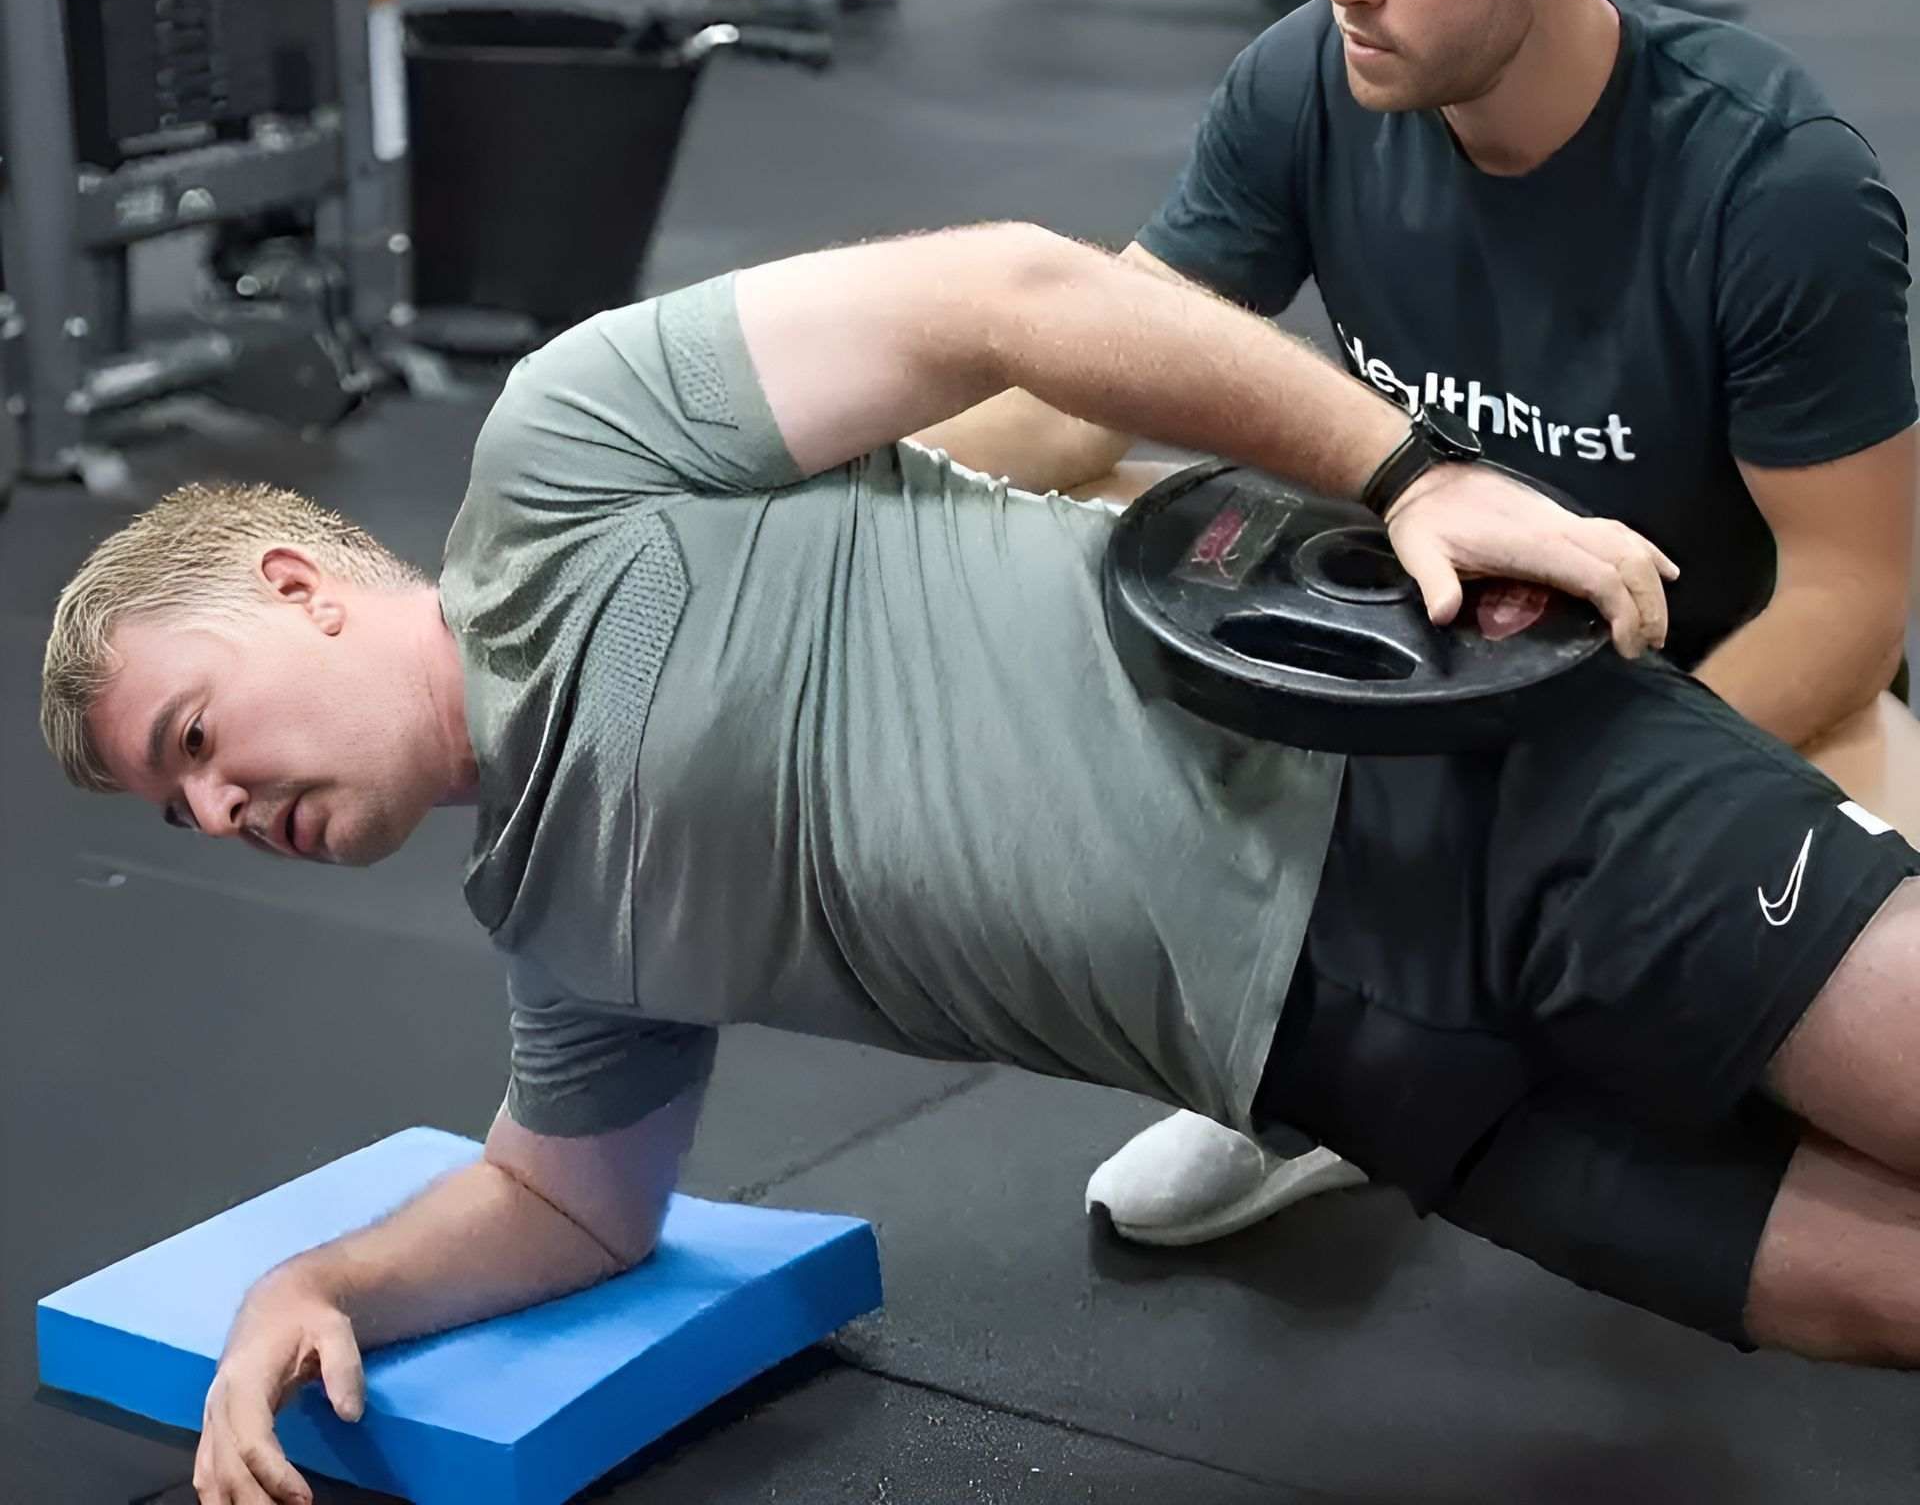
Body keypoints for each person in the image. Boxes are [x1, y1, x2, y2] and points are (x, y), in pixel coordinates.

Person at [40, 219, 1920, 1505]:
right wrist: (325, 1289)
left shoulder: (567, 465)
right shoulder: (555, 927)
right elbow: (576, 1209)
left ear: (298, 591)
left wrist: (1419, 477)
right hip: (1362, 1078)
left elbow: (1009, 297)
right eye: (172, 810)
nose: (213, 817)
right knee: (1865, 1297)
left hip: (1455, 808)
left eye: (195, 740)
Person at [915, 0, 1918, 1247]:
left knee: (1861, 1136)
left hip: (1715, 703)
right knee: (1079, 535)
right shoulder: (1311, 83)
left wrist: (1591, 823)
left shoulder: (1774, 187)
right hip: (1428, 661)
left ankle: (1437, 1005)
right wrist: (804, 459)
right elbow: (1081, 390)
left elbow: (1852, 607)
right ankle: (1313, 1062)